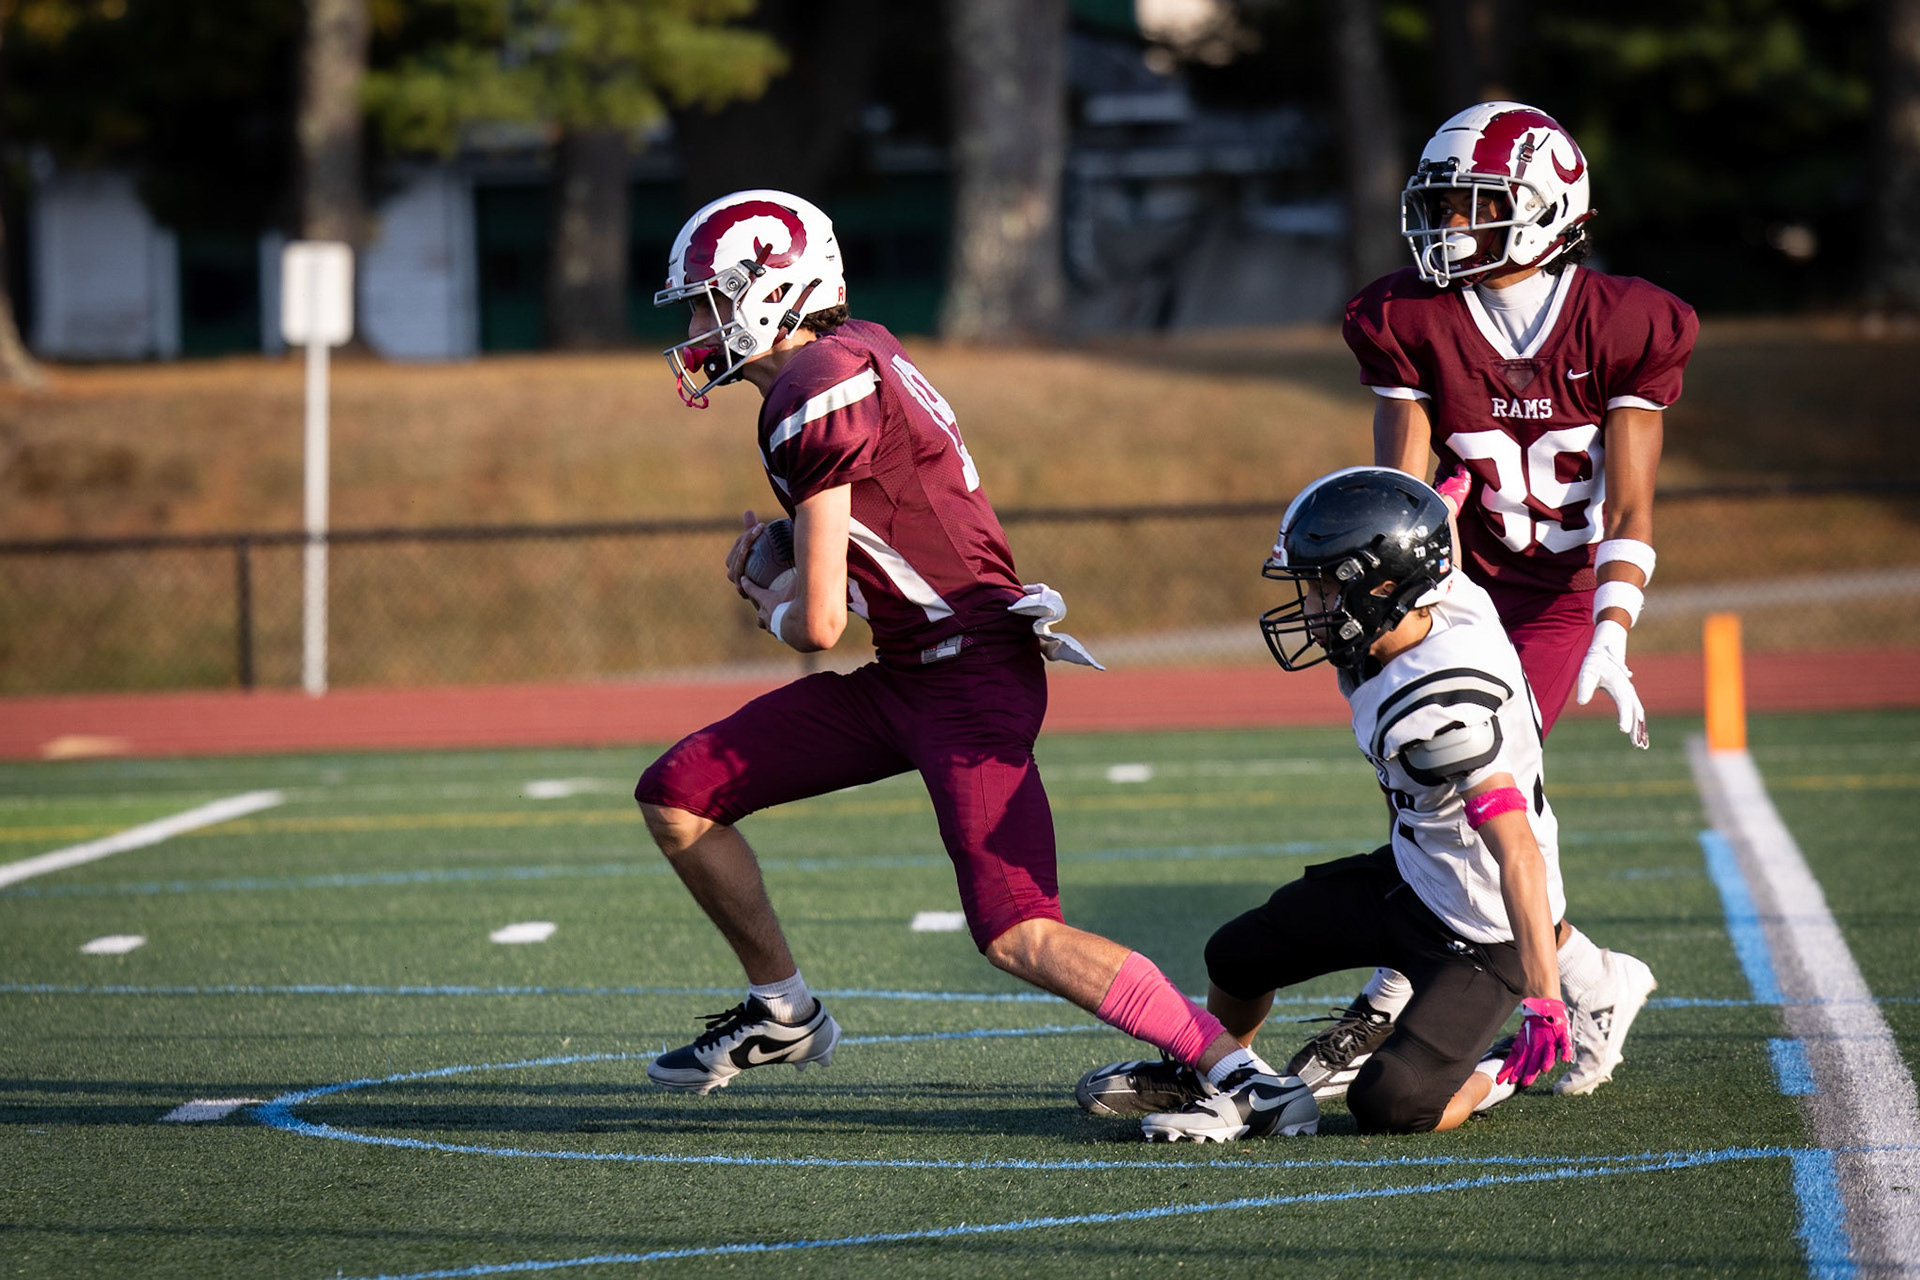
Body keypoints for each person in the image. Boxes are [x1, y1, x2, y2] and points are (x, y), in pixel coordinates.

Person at [631, 189, 1317, 1138]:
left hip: (968, 673)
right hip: (919, 669)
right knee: (681, 790)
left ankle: (1240, 1075)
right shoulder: (855, 348)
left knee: (1017, 929)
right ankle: (783, 1010)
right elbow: (894, 501)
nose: (700, 327)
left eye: (712, 300)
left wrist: (768, 595)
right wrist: (791, 542)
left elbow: (820, 626)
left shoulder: (810, 390)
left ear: (771, 289)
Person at [1287, 102, 1695, 1100]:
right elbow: (1405, 496)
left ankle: (1464, 990)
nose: (1449, 226)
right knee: (1415, 779)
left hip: (1555, 596)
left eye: (1474, 204)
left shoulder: (1623, 322)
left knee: (1476, 798)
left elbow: (1631, 498)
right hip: (1457, 587)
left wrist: (1613, 623)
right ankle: (1509, 979)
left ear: (1550, 206)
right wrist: (1384, 601)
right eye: (1440, 204)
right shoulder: (1407, 318)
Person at [1079, 468, 1573, 1137]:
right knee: (1238, 954)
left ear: (1386, 586)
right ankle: (1215, 1071)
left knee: (1394, 1105)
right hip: (1415, 877)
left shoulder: (1442, 705)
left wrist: (1544, 997)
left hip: (1484, 934)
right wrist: (1440, 502)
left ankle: (1509, 1065)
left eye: (1325, 586)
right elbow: (1434, 539)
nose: (1312, 606)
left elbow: (1514, 847)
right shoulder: (1435, 597)